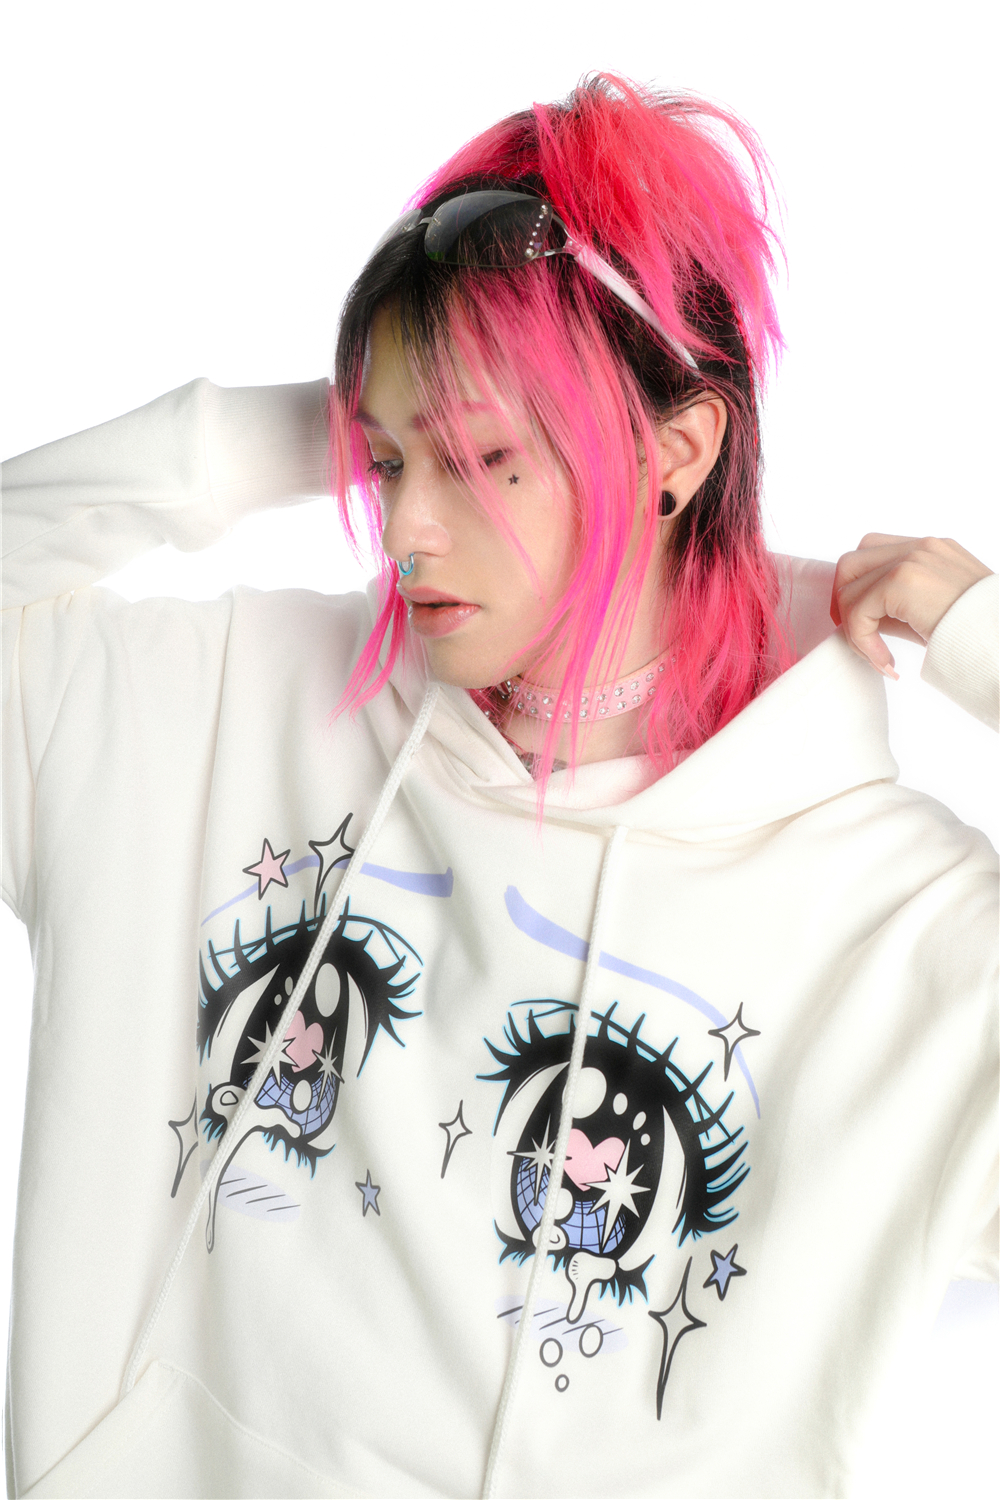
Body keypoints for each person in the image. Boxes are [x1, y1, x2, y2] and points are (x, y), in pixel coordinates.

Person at [1, 73, 996, 1500]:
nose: (405, 526)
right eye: (385, 458)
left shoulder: (904, 931)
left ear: (673, 451)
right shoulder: (225, 704)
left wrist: (984, 642)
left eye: (482, 460)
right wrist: (283, 432)